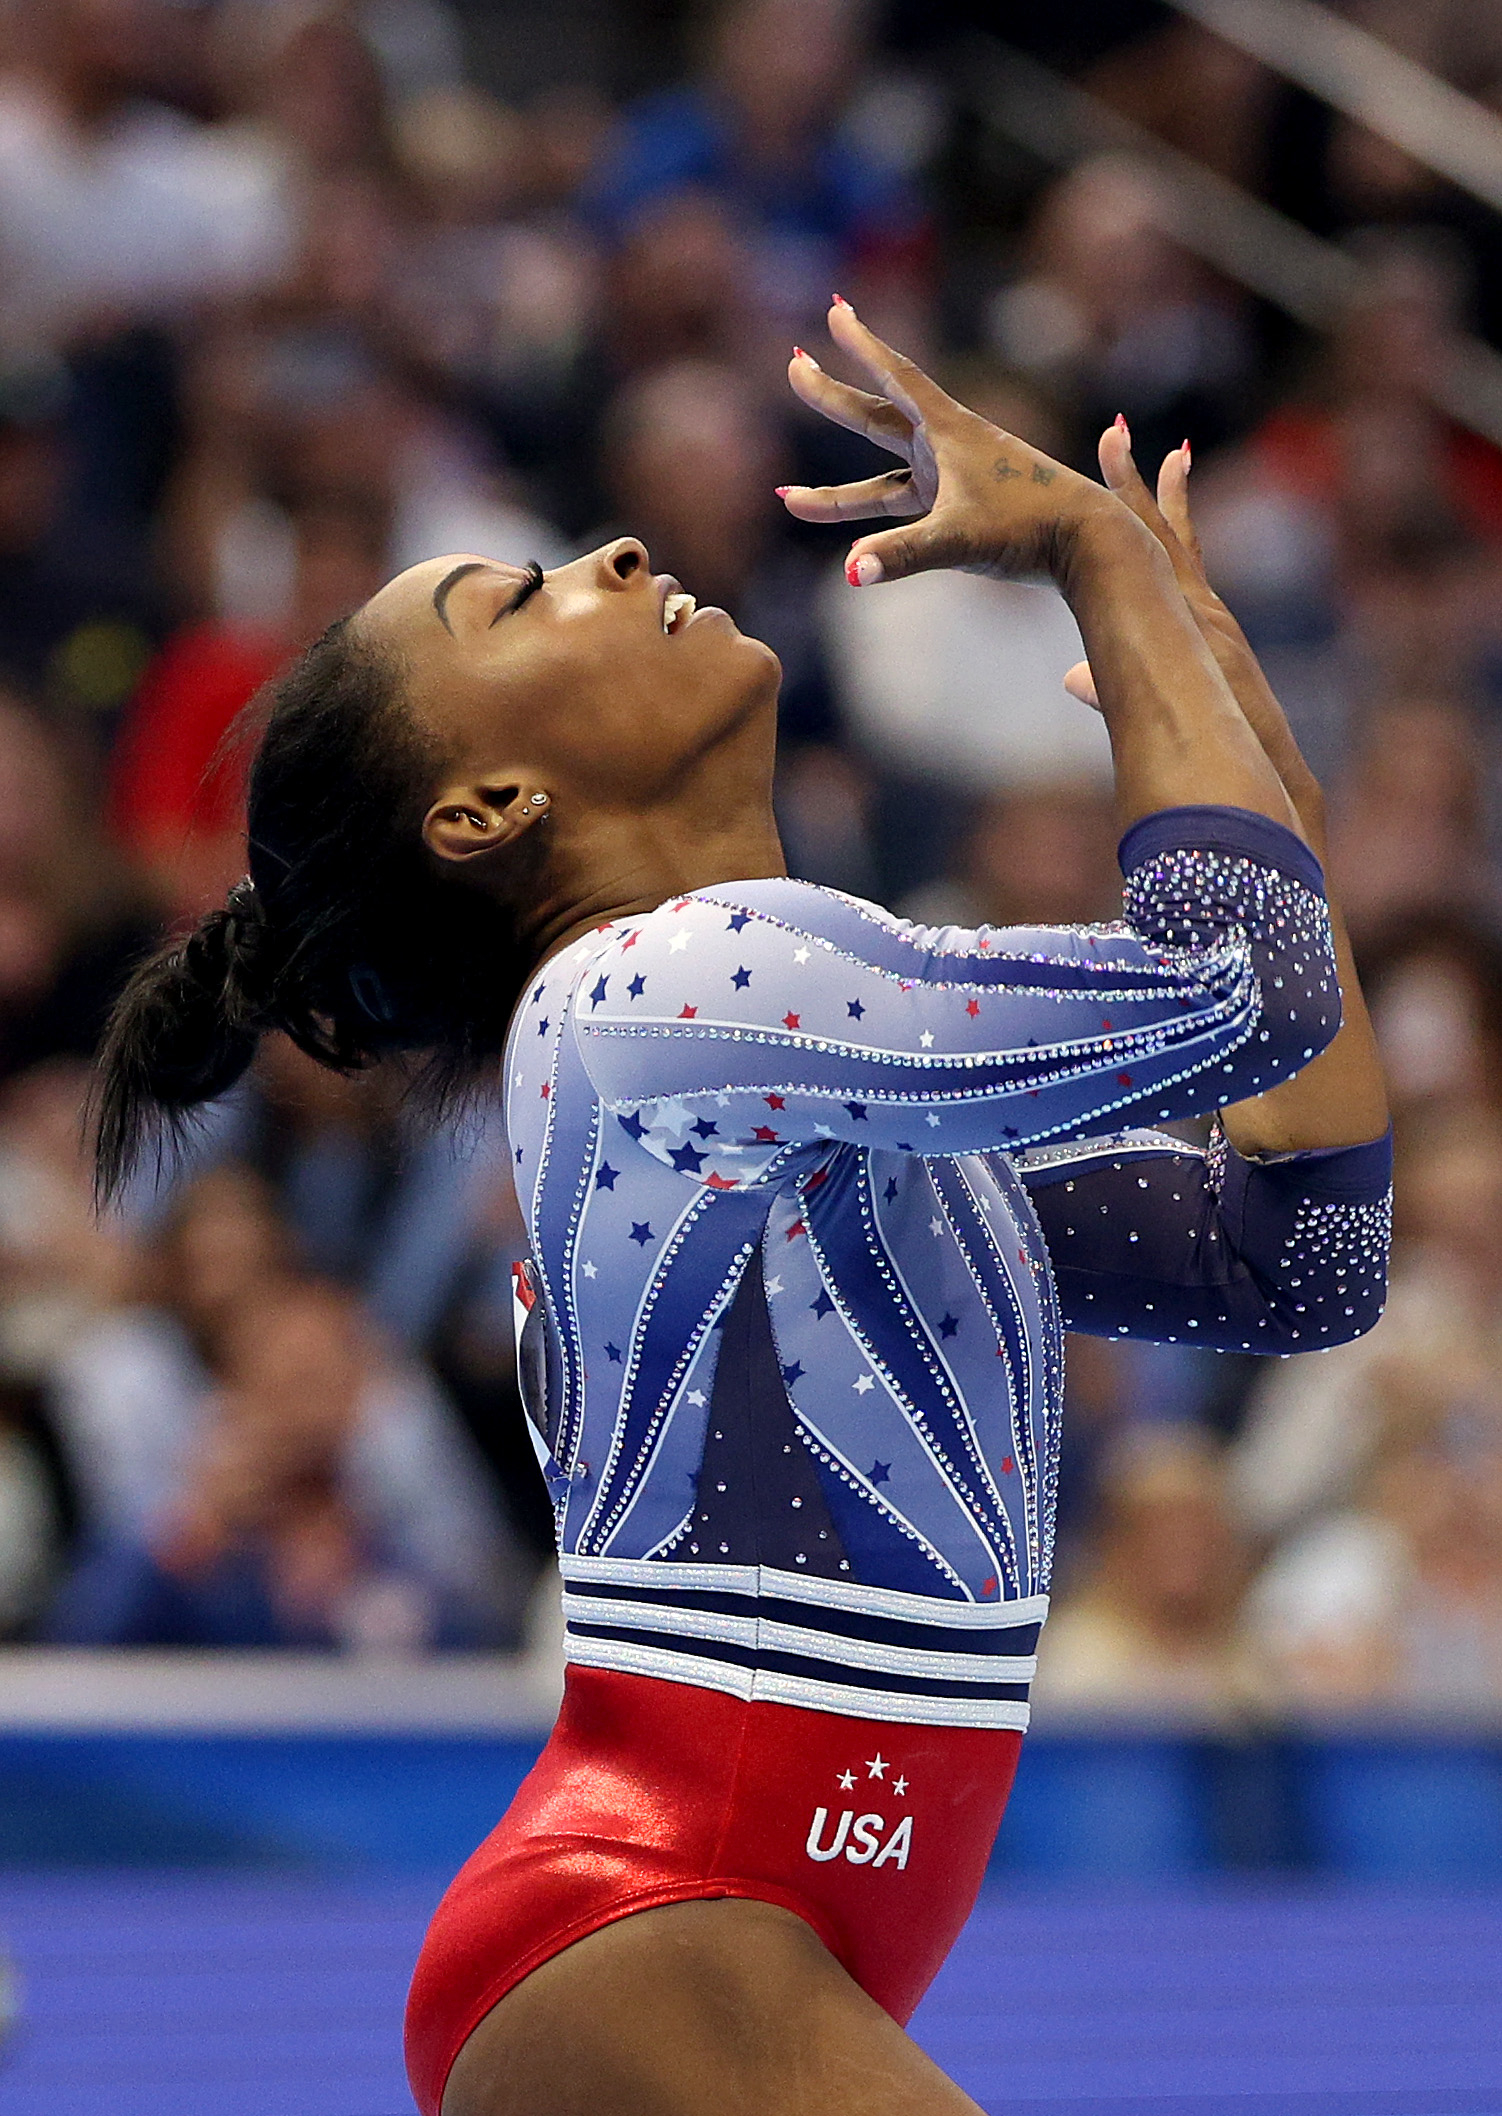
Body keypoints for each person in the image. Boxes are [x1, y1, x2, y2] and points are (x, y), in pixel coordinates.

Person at [90, 301, 1391, 2116]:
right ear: (487, 807)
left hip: (717, 1919)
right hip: (658, 1920)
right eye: (519, 599)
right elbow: (1250, 990)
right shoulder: (659, 999)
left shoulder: (802, 1079)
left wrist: (1216, 723)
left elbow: (1301, 1247)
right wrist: (1103, 564)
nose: (612, 553)